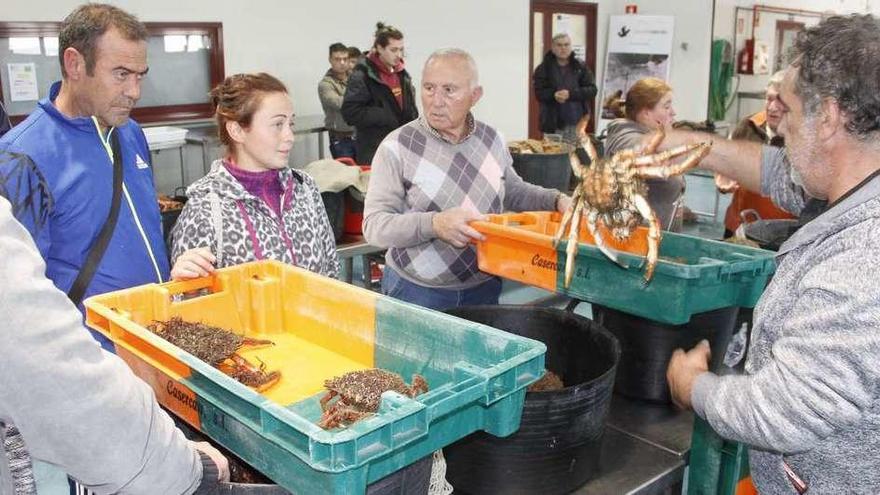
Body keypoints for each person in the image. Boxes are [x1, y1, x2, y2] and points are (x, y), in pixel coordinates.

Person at [666, 15, 880, 493]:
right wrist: (691, 147)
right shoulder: (853, 177)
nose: (774, 120)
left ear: (827, 117)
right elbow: (778, 171)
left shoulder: (865, 259)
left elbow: (785, 411)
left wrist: (693, 387)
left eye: (788, 105)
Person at [0, 192, 229, 494]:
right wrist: (179, 469)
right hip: (96, 400)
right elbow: (41, 362)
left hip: (137, 388)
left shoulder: (131, 143)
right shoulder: (27, 151)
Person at [0, 3, 187, 319]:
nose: (135, 91)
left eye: (140, 76)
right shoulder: (21, 157)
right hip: (88, 354)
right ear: (74, 64)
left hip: (156, 334)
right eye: (121, 74)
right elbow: (18, 292)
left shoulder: (130, 134)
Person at [363, 48, 570, 311]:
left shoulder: (492, 139)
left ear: (475, 96)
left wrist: (556, 200)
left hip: (484, 285)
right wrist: (434, 224)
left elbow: (513, 190)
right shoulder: (397, 146)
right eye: (429, 88)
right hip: (418, 292)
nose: (436, 101)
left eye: (449, 90)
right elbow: (374, 226)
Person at [170, 73, 339, 280]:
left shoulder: (304, 187)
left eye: (290, 124)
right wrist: (183, 281)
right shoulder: (206, 209)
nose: (290, 136)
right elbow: (189, 303)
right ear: (237, 130)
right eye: (278, 125)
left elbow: (331, 269)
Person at [717, 70, 794, 238]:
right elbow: (726, 163)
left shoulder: (803, 136)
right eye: (769, 98)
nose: (772, 107)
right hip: (740, 225)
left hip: (783, 233)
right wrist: (723, 178)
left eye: (780, 100)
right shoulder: (748, 125)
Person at [603, 77, 684, 231]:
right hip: (637, 242)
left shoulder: (647, 135)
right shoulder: (625, 137)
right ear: (646, 113)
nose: (673, 112)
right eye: (666, 107)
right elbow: (631, 149)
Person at [341, 22, 418, 165]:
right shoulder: (362, 74)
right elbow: (350, 112)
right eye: (393, 50)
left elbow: (409, 109)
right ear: (379, 48)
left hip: (401, 147)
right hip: (374, 150)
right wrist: (384, 115)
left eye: (401, 49)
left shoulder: (402, 73)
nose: (399, 55)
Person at [532, 33, 597, 142]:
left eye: (566, 45)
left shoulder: (580, 67)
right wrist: (553, 95)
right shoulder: (543, 69)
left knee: (573, 157)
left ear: (571, 47)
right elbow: (539, 93)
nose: (563, 48)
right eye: (559, 45)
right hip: (552, 124)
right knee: (553, 156)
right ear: (553, 48)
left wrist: (571, 94)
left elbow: (592, 90)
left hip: (577, 123)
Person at [318, 42, 356, 159]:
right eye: (338, 59)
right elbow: (340, 103)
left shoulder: (356, 78)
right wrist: (361, 98)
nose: (342, 63)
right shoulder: (325, 84)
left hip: (360, 136)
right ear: (330, 60)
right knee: (346, 176)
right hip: (340, 139)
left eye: (345, 59)